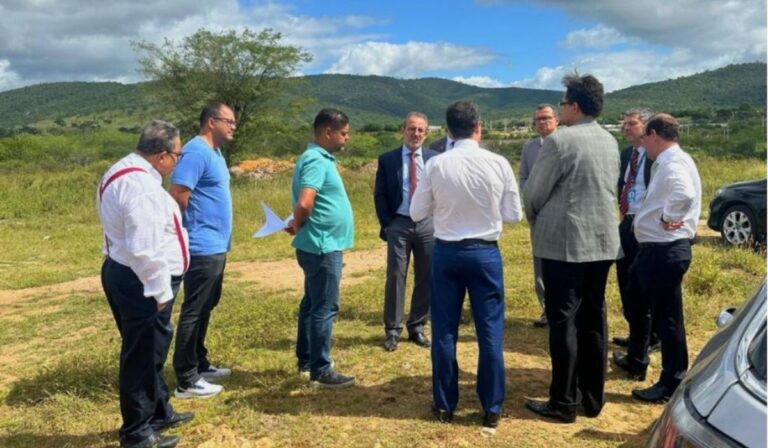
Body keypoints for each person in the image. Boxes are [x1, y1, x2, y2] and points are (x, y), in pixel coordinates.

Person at [411, 101, 522, 432]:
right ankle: (491, 407)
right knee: (490, 331)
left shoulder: (436, 165)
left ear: (448, 130)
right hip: (485, 252)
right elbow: (514, 214)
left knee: (444, 329)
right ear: (478, 127)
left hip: (446, 252)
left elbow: (417, 212)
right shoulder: (498, 163)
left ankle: (445, 404)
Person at [523, 74, 620, 423]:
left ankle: (563, 401)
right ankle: (593, 398)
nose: (561, 109)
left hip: (565, 244)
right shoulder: (610, 140)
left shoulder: (560, 142)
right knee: (594, 318)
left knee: (562, 322)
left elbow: (533, 194)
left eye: (563, 103)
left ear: (574, 106)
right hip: (604, 243)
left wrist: (536, 219)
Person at [98, 120, 193, 448]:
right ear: (163, 155)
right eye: (178, 155)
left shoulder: (122, 170)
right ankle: (137, 433)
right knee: (141, 355)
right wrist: (160, 291)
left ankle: (159, 411)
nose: (178, 162)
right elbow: (144, 249)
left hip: (124, 273)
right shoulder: (142, 187)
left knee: (151, 350)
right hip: (141, 281)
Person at [630, 113, 701, 403]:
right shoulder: (673, 160)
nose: (643, 142)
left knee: (669, 319)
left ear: (655, 134)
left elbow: (683, 194)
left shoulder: (673, 162)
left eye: (645, 136)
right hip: (658, 249)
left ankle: (671, 381)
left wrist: (668, 217)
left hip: (665, 249)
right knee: (653, 308)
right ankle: (642, 358)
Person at [286, 108, 356, 388]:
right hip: (322, 245)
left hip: (319, 243)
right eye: (343, 133)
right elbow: (305, 202)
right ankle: (320, 369)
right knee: (325, 306)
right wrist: (298, 222)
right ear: (328, 132)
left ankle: (306, 359)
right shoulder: (316, 159)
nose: (346, 138)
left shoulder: (317, 158)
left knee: (312, 302)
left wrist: (298, 223)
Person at [170, 103, 235, 399]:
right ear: (212, 122)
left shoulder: (215, 153)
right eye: (229, 121)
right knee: (194, 309)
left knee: (207, 305)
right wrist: (188, 231)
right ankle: (185, 378)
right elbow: (179, 194)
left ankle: (200, 362)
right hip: (200, 244)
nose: (233, 126)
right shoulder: (196, 151)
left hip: (217, 244)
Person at [374, 112, 439, 352]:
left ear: (427, 133)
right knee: (395, 275)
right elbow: (379, 194)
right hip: (398, 223)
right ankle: (392, 329)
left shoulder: (435, 159)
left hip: (427, 224)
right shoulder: (388, 159)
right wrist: (387, 223)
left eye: (421, 130)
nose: (416, 134)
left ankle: (417, 326)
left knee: (427, 275)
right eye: (412, 129)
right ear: (403, 130)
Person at [611, 108, 660, 380]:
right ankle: (636, 336)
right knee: (626, 283)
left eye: (632, 124)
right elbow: (622, 186)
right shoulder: (625, 155)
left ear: (646, 127)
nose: (626, 128)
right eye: (624, 123)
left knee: (641, 289)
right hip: (627, 223)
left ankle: (643, 346)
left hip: (647, 227)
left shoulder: (656, 158)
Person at [519, 104, 559, 328]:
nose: (542, 123)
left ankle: (562, 306)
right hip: (538, 214)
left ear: (556, 121)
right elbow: (524, 179)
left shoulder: (565, 144)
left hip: (561, 215)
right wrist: (532, 202)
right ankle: (547, 308)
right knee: (540, 263)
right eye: (538, 120)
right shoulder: (529, 148)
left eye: (546, 118)